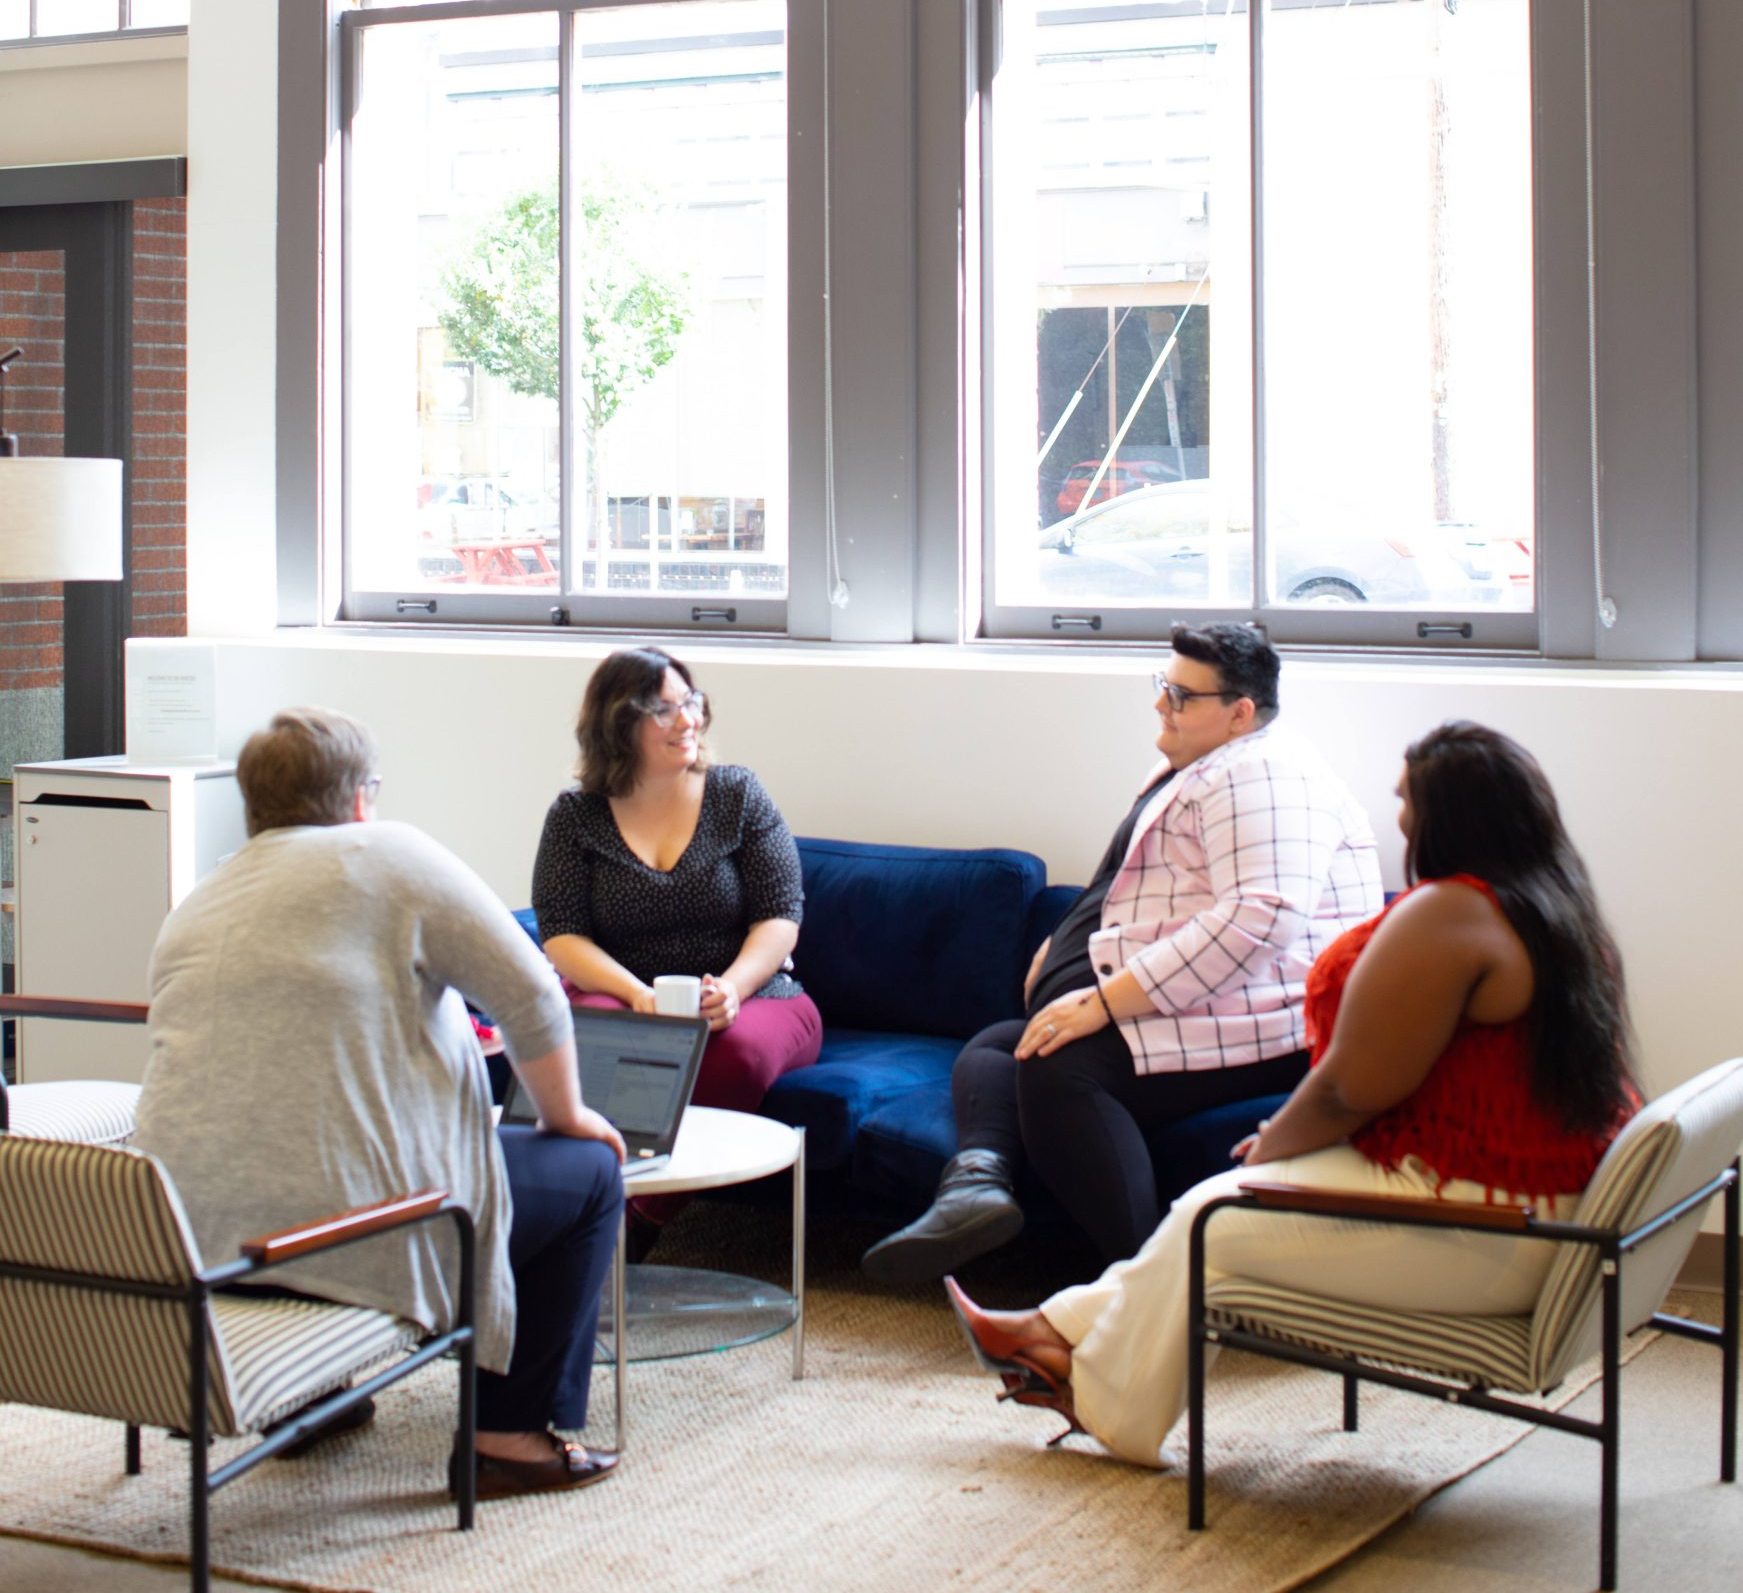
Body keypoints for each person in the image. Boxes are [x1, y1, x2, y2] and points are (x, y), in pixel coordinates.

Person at [947, 721, 1640, 1469]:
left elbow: (1349, 1088)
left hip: (1491, 1222)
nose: (1398, 816)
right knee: (1209, 1218)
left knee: (1213, 1217)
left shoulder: (1451, 913)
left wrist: (1271, 1150)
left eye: (1406, 799)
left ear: (1449, 815)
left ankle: (1089, 1385)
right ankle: (1054, 1340)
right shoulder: (1554, 906)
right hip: (1528, 1196)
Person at [135, 709, 626, 1501]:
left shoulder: (203, 896)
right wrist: (566, 1115)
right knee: (587, 1175)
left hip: (193, 1241)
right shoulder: (389, 853)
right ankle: (507, 1435)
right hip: (344, 1239)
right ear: (362, 798)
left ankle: (313, 1398)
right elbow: (533, 994)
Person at [862, 623, 1384, 1282]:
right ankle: (975, 1186)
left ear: (1239, 712)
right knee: (999, 1045)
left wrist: (1104, 1000)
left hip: (1270, 1023)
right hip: (1216, 1004)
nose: (1160, 704)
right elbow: (1149, 888)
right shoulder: (1203, 765)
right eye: (1161, 686)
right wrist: (1066, 943)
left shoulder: (1266, 777)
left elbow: (1260, 920)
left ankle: (1140, 1286)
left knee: (1060, 1069)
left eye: (1180, 694)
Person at [531, 647, 824, 1120]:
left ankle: (634, 1196)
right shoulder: (575, 816)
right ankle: (616, 1187)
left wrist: (731, 990)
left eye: (691, 703)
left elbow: (780, 913)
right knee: (598, 1041)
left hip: (752, 997)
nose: (687, 721)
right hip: (625, 995)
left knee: (734, 1056)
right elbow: (562, 935)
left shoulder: (738, 794)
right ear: (617, 724)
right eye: (663, 711)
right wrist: (636, 994)